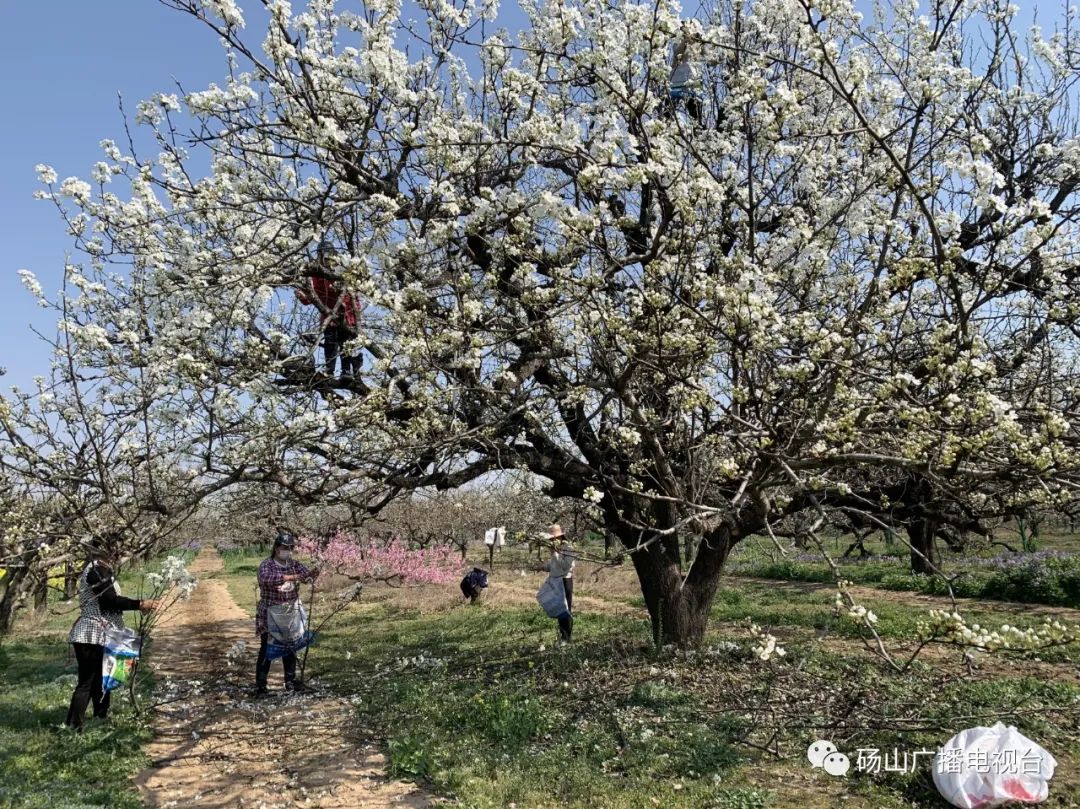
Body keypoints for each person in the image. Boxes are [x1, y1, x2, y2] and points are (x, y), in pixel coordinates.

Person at [65, 539, 158, 732]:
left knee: (104, 678)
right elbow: (109, 601)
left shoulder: (101, 570)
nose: (119, 553)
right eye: (116, 548)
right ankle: (74, 726)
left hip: (103, 632)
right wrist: (139, 604)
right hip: (91, 634)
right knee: (87, 682)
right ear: (104, 551)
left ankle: (100, 717)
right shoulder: (96, 571)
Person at [254, 531, 319, 697]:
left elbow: (305, 576)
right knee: (267, 648)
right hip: (270, 613)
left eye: (290, 548)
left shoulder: (293, 564)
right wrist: (292, 577)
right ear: (276, 548)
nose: (288, 550)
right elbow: (267, 579)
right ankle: (261, 685)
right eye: (285, 547)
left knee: (290, 647)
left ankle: (290, 681)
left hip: (289, 613)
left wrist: (314, 572)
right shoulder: (266, 565)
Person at [297, 239, 362, 379]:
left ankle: (346, 371)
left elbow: (354, 296)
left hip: (346, 316)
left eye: (327, 255)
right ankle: (329, 370)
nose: (325, 258)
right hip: (328, 316)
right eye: (322, 255)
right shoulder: (319, 275)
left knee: (346, 343)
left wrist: (356, 316)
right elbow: (315, 294)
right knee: (330, 344)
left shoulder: (342, 270)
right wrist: (302, 295)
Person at [665, 25, 704, 125]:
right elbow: (677, 52)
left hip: (692, 80)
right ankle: (665, 128)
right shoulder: (678, 41)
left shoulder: (697, 47)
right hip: (676, 81)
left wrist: (697, 41)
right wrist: (685, 41)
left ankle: (697, 129)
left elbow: (706, 56)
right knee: (668, 112)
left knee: (695, 112)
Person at [544, 524, 576, 643]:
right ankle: (563, 636)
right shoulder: (555, 548)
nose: (551, 541)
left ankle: (567, 638)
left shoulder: (569, 548)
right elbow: (554, 566)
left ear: (560, 537)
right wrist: (543, 567)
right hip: (555, 580)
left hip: (564, 580)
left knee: (565, 609)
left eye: (553, 538)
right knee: (559, 609)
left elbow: (566, 566)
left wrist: (555, 554)